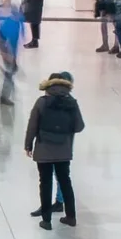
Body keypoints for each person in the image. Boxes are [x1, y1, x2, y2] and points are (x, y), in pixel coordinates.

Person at [25, 72, 83, 228]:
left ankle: (46, 220)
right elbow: (79, 126)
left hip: (43, 150)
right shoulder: (72, 103)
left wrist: (28, 145)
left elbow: (32, 126)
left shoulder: (42, 102)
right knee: (65, 182)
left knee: (45, 183)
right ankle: (71, 217)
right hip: (64, 151)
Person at [0, 5, 25, 106]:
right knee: (9, 71)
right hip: (5, 47)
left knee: (12, 70)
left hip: (5, 47)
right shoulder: (12, 24)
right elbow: (9, 42)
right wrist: (9, 55)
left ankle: (7, 92)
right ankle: (4, 96)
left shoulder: (14, 22)